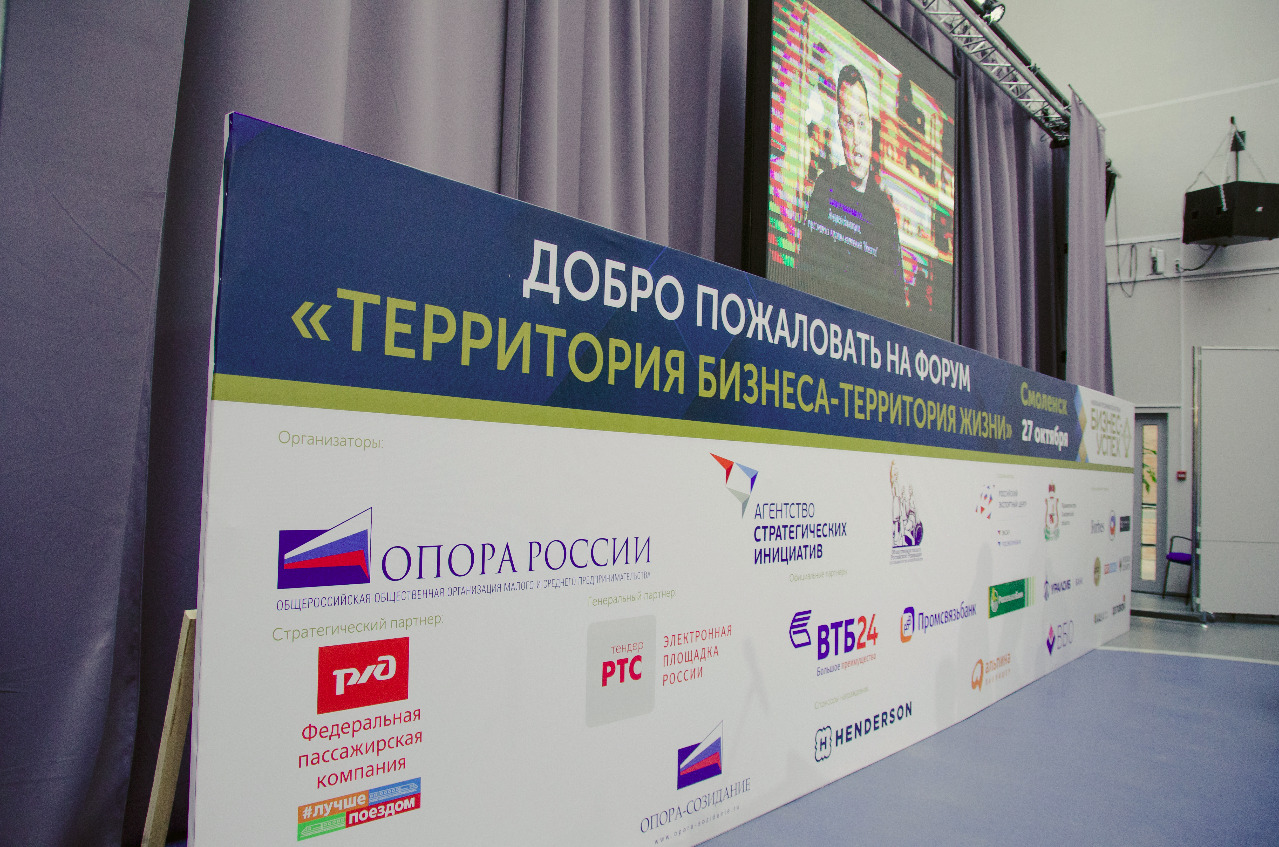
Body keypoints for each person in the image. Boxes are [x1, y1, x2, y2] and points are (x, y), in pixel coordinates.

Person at [797, 64, 906, 320]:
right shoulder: (825, 188)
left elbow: (897, 304)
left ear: (871, 129)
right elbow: (804, 276)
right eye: (848, 123)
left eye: (862, 123)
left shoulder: (885, 211)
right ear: (839, 129)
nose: (857, 140)